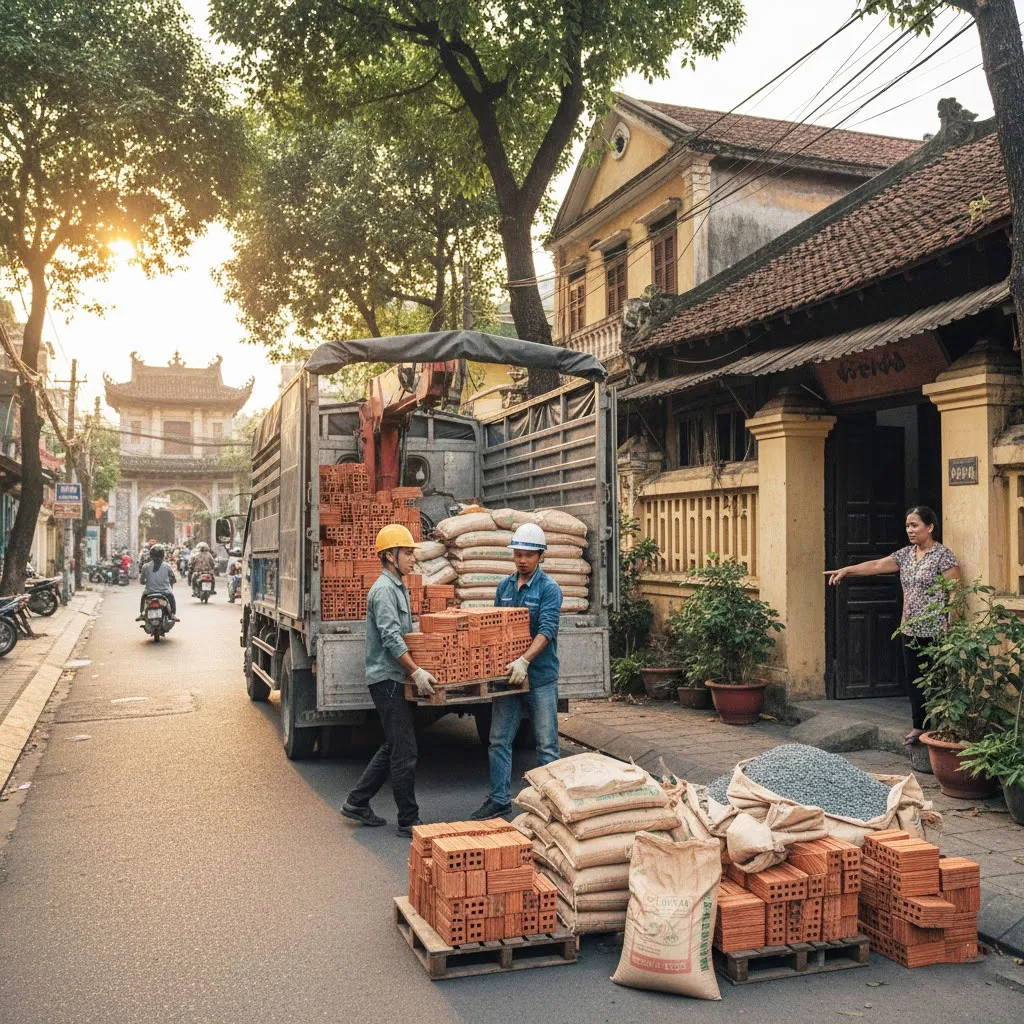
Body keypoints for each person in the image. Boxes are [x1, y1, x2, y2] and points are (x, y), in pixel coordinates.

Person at [826, 505, 960, 747]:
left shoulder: (943, 556)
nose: (910, 530)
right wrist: (847, 570)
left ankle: (944, 728)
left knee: (938, 678)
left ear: (930, 527)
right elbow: (877, 565)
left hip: (937, 630)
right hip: (909, 628)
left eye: (915, 525)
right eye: (908, 525)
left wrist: (951, 624)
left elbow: (955, 592)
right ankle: (919, 726)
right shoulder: (905, 555)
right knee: (914, 678)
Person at [341, 524, 438, 838]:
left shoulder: (398, 586)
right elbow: (391, 638)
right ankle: (408, 820)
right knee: (406, 751)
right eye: (407, 552)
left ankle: (357, 802)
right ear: (389, 556)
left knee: (395, 745)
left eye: (411, 552)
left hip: (394, 678)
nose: (412, 558)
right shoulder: (384, 591)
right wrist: (416, 672)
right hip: (387, 680)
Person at [470, 523, 563, 820]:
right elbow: (496, 628)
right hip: (508, 679)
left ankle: (551, 807)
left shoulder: (549, 589)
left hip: (540, 677)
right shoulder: (505, 587)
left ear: (540, 557)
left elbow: (546, 630)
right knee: (498, 739)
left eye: (528, 555)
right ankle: (499, 799)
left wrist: (525, 660)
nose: (522, 560)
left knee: (546, 745)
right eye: (518, 554)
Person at [137, 544, 179, 620]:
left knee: (143, 598)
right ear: (163, 555)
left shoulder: (145, 566)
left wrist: (145, 582)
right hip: (165, 592)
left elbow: (142, 581)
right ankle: (172, 614)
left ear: (151, 555)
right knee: (172, 597)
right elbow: (173, 579)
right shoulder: (167, 566)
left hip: (149, 592)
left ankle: (142, 613)